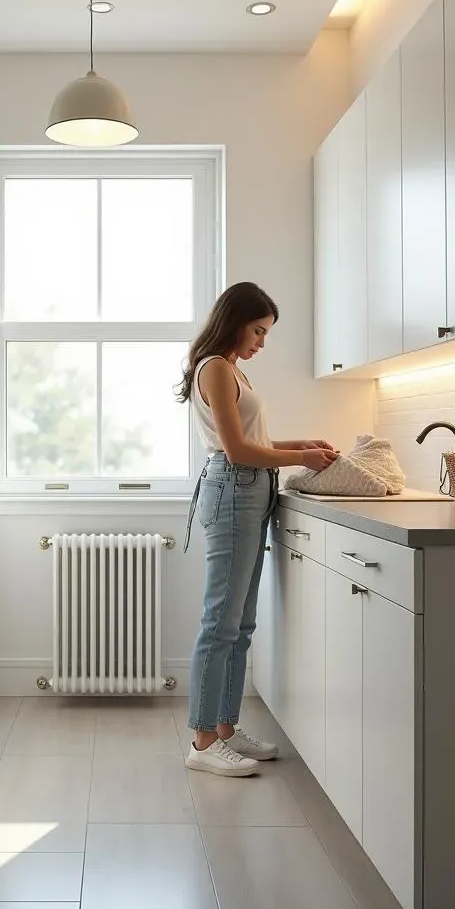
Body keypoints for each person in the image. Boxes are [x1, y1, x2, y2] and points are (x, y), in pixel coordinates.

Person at [177, 282, 337, 777]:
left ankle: (225, 729)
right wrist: (302, 457)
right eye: (259, 331)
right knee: (220, 623)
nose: (262, 342)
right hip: (234, 490)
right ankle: (202, 743)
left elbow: (254, 440)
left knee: (241, 625)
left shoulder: (233, 370)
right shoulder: (217, 369)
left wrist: (299, 443)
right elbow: (237, 451)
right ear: (236, 321)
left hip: (250, 490)